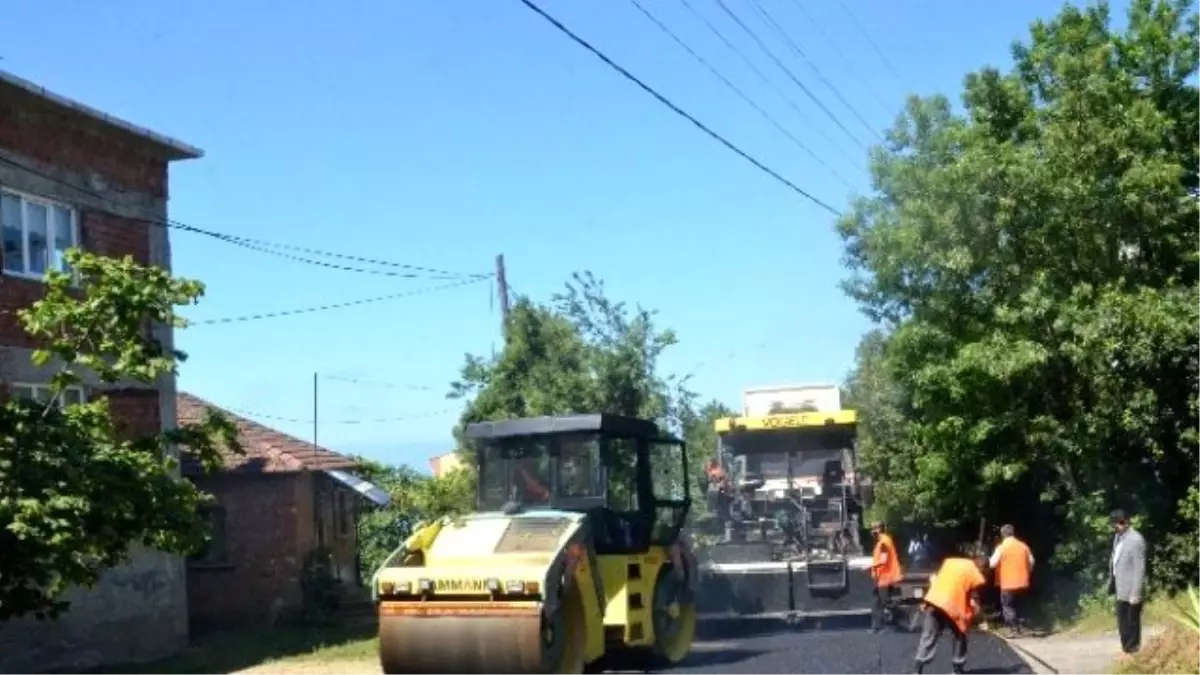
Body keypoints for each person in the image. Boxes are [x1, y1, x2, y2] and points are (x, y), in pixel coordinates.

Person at [911, 553, 989, 675]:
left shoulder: (950, 562)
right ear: (982, 566)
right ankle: (957, 669)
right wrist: (981, 620)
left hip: (934, 600)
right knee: (960, 634)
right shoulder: (975, 573)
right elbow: (974, 602)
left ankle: (916, 670)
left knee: (928, 636)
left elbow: (939, 579)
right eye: (984, 569)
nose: (984, 572)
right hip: (952, 606)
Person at [1109, 510, 1147, 656]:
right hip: (1120, 587)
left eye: (1118, 523)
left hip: (1131, 589)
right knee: (1122, 622)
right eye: (1114, 524)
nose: (1115, 527)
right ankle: (1126, 649)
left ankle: (1133, 649)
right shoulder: (1118, 538)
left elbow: (1139, 568)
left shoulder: (1136, 539)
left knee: (1132, 622)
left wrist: (1136, 593)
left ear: (1125, 522)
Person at [989, 524, 1034, 635]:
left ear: (1002, 535)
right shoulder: (1023, 546)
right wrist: (1028, 571)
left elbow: (992, 564)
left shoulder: (1001, 547)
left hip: (1008, 583)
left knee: (1008, 606)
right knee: (1019, 605)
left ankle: (1014, 629)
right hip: (1023, 582)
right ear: (1013, 533)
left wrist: (988, 559)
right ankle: (1023, 627)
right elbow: (1032, 561)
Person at [869, 521, 903, 632]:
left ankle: (903, 614)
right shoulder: (881, 542)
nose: (871, 532)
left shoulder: (884, 542)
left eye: (873, 529)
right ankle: (876, 627)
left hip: (886, 577)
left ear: (878, 530)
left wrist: (872, 565)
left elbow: (883, 560)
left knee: (885, 602)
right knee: (876, 602)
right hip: (881, 577)